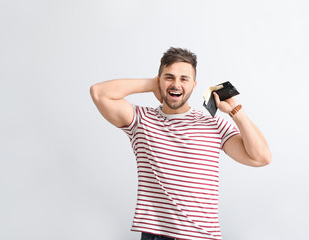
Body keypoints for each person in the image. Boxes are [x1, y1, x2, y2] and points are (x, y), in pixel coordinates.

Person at [90, 47, 271, 240]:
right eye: (169, 77)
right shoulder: (141, 119)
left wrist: (235, 110)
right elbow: (99, 93)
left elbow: (261, 157)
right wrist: (153, 84)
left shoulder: (213, 125)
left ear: (193, 85)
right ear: (159, 79)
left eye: (184, 79)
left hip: (202, 236)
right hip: (157, 236)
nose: (176, 84)